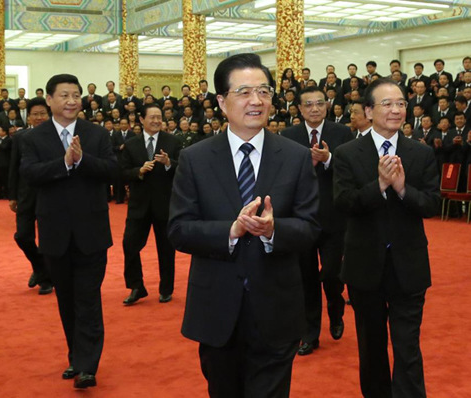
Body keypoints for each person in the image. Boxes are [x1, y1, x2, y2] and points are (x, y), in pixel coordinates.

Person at [168, 53, 320, 398]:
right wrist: (231, 231)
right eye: (244, 92)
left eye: (264, 92)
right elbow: (179, 229)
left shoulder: (296, 156)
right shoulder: (195, 158)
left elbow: (311, 227)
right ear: (221, 102)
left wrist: (272, 230)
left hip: (277, 308)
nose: (257, 101)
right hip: (217, 310)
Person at [333, 78, 440, 397]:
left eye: (401, 104)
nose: (396, 110)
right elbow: (344, 203)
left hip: (409, 264)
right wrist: (378, 185)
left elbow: (432, 204)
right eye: (387, 104)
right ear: (368, 110)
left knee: (408, 347)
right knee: (372, 346)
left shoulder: (420, 154)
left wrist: (403, 189)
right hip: (365, 265)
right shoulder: (347, 154)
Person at [20, 74, 118, 389]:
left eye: (76, 95)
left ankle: (89, 365)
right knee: (66, 299)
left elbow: (112, 170)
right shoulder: (34, 138)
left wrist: (82, 160)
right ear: (49, 100)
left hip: (91, 231)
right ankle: (75, 356)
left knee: (88, 298)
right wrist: (63, 163)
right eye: (64, 95)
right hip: (54, 233)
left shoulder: (97, 134)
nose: (72, 101)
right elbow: (30, 174)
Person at [282, 86, 353, 356]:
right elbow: (284, 175)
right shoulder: (288, 136)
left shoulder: (341, 133)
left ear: (327, 106)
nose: (314, 108)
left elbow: (350, 171)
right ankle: (309, 334)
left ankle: (336, 312)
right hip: (301, 219)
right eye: (308, 104)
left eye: (319, 103)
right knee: (306, 278)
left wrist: (329, 159)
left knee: (332, 275)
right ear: (299, 109)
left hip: (334, 217)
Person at [121, 104, 181, 305]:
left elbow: (184, 170)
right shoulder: (131, 145)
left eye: (159, 117)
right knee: (129, 245)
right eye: (152, 117)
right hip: (139, 205)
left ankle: (166, 289)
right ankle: (136, 286)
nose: (156, 121)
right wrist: (138, 171)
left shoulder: (172, 142)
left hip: (164, 205)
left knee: (166, 249)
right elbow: (121, 173)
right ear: (141, 120)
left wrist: (168, 163)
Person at [9, 97, 54, 294]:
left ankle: (46, 280)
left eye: (42, 114)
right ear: (29, 117)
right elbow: (14, 168)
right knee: (22, 236)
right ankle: (40, 267)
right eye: (35, 114)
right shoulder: (20, 138)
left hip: (49, 194)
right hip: (26, 194)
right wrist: (12, 195)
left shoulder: (56, 136)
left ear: (48, 115)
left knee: (47, 238)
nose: (39, 118)